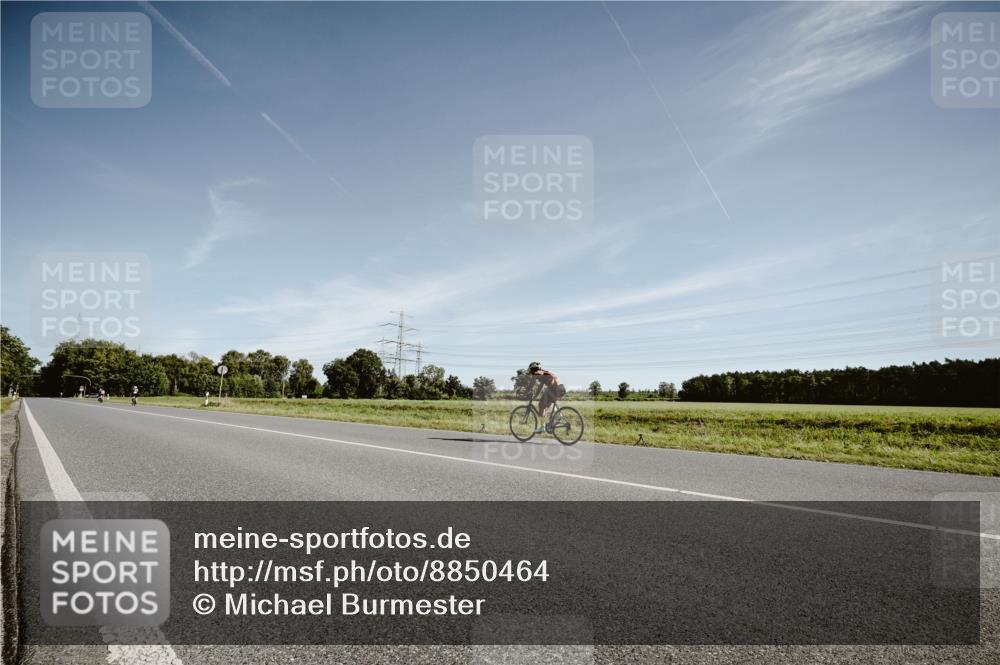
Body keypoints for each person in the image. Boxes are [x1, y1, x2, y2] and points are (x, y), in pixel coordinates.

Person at [527, 361, 564, 434]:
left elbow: (531, 384)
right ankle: (556, 416)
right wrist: (536, 396)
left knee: (541, 405)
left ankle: (542, 427)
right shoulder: (543, 373)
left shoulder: (537, 373)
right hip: (561, 389)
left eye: (531, 370)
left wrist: (525, 392)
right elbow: (540, 386)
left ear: (534, 369)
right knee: (545, 405)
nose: (531, 372)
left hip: (554, 389)